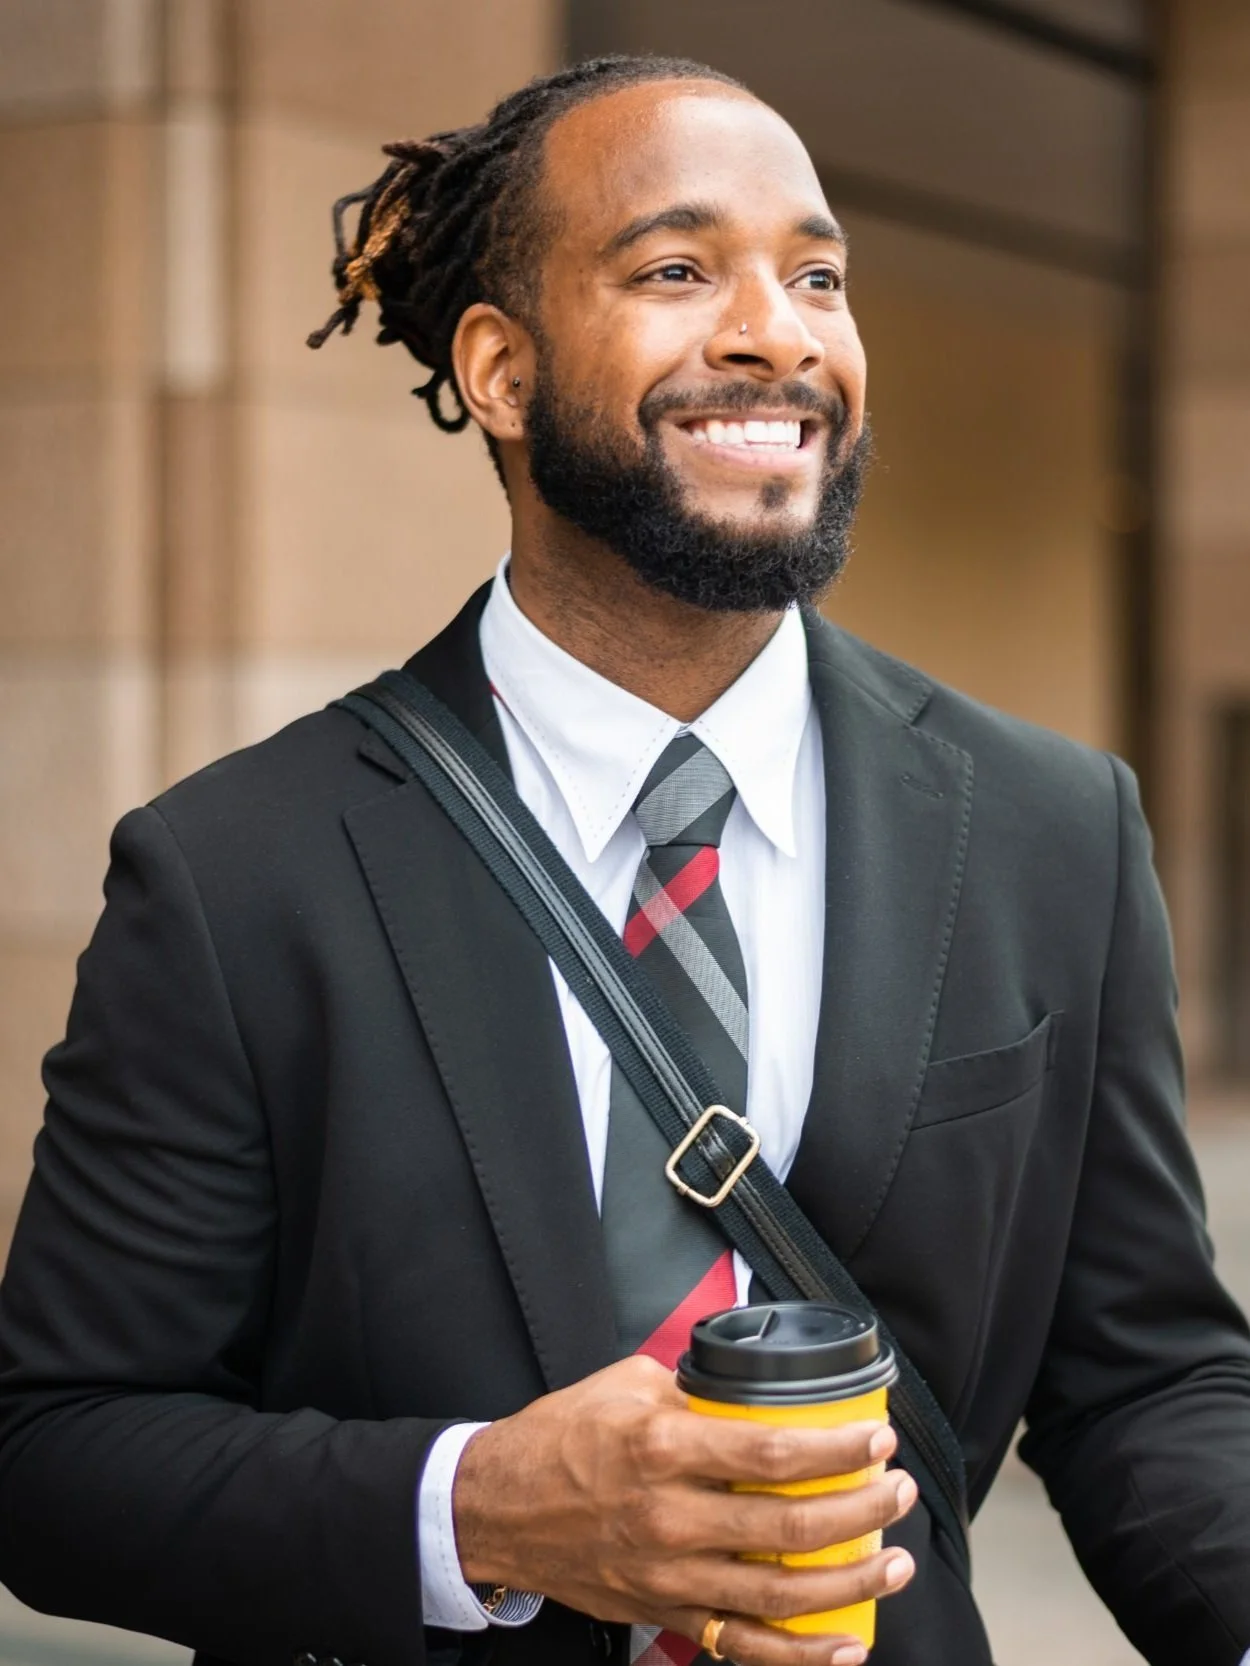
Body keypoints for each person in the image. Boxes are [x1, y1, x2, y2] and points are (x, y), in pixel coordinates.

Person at [0, 51, 1247, 1666]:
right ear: (502, 371)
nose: (777, 331)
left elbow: (1146, 1371)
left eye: (816, 276)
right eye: (675, 270)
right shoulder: (235, 874)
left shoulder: (1051, 830)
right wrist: (478, 1508)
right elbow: (57, 1451)